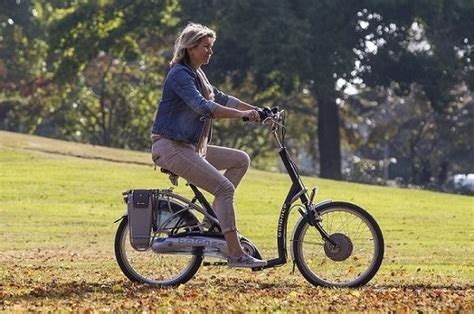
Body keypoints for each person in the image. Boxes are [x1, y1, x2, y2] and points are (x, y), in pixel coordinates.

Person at [150, 23, 266, 268]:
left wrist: (256, 111)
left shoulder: (197, 73)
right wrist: (243, 116)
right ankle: (236, 254)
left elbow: (222, 98)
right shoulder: (180, 74)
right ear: (191, 48)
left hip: (189, 147)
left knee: (240, 159)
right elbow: (204, 107)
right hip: (171, 146)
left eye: (211, 47)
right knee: (224, 188)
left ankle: (216, 217)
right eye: (206, 47)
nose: (210, 52)